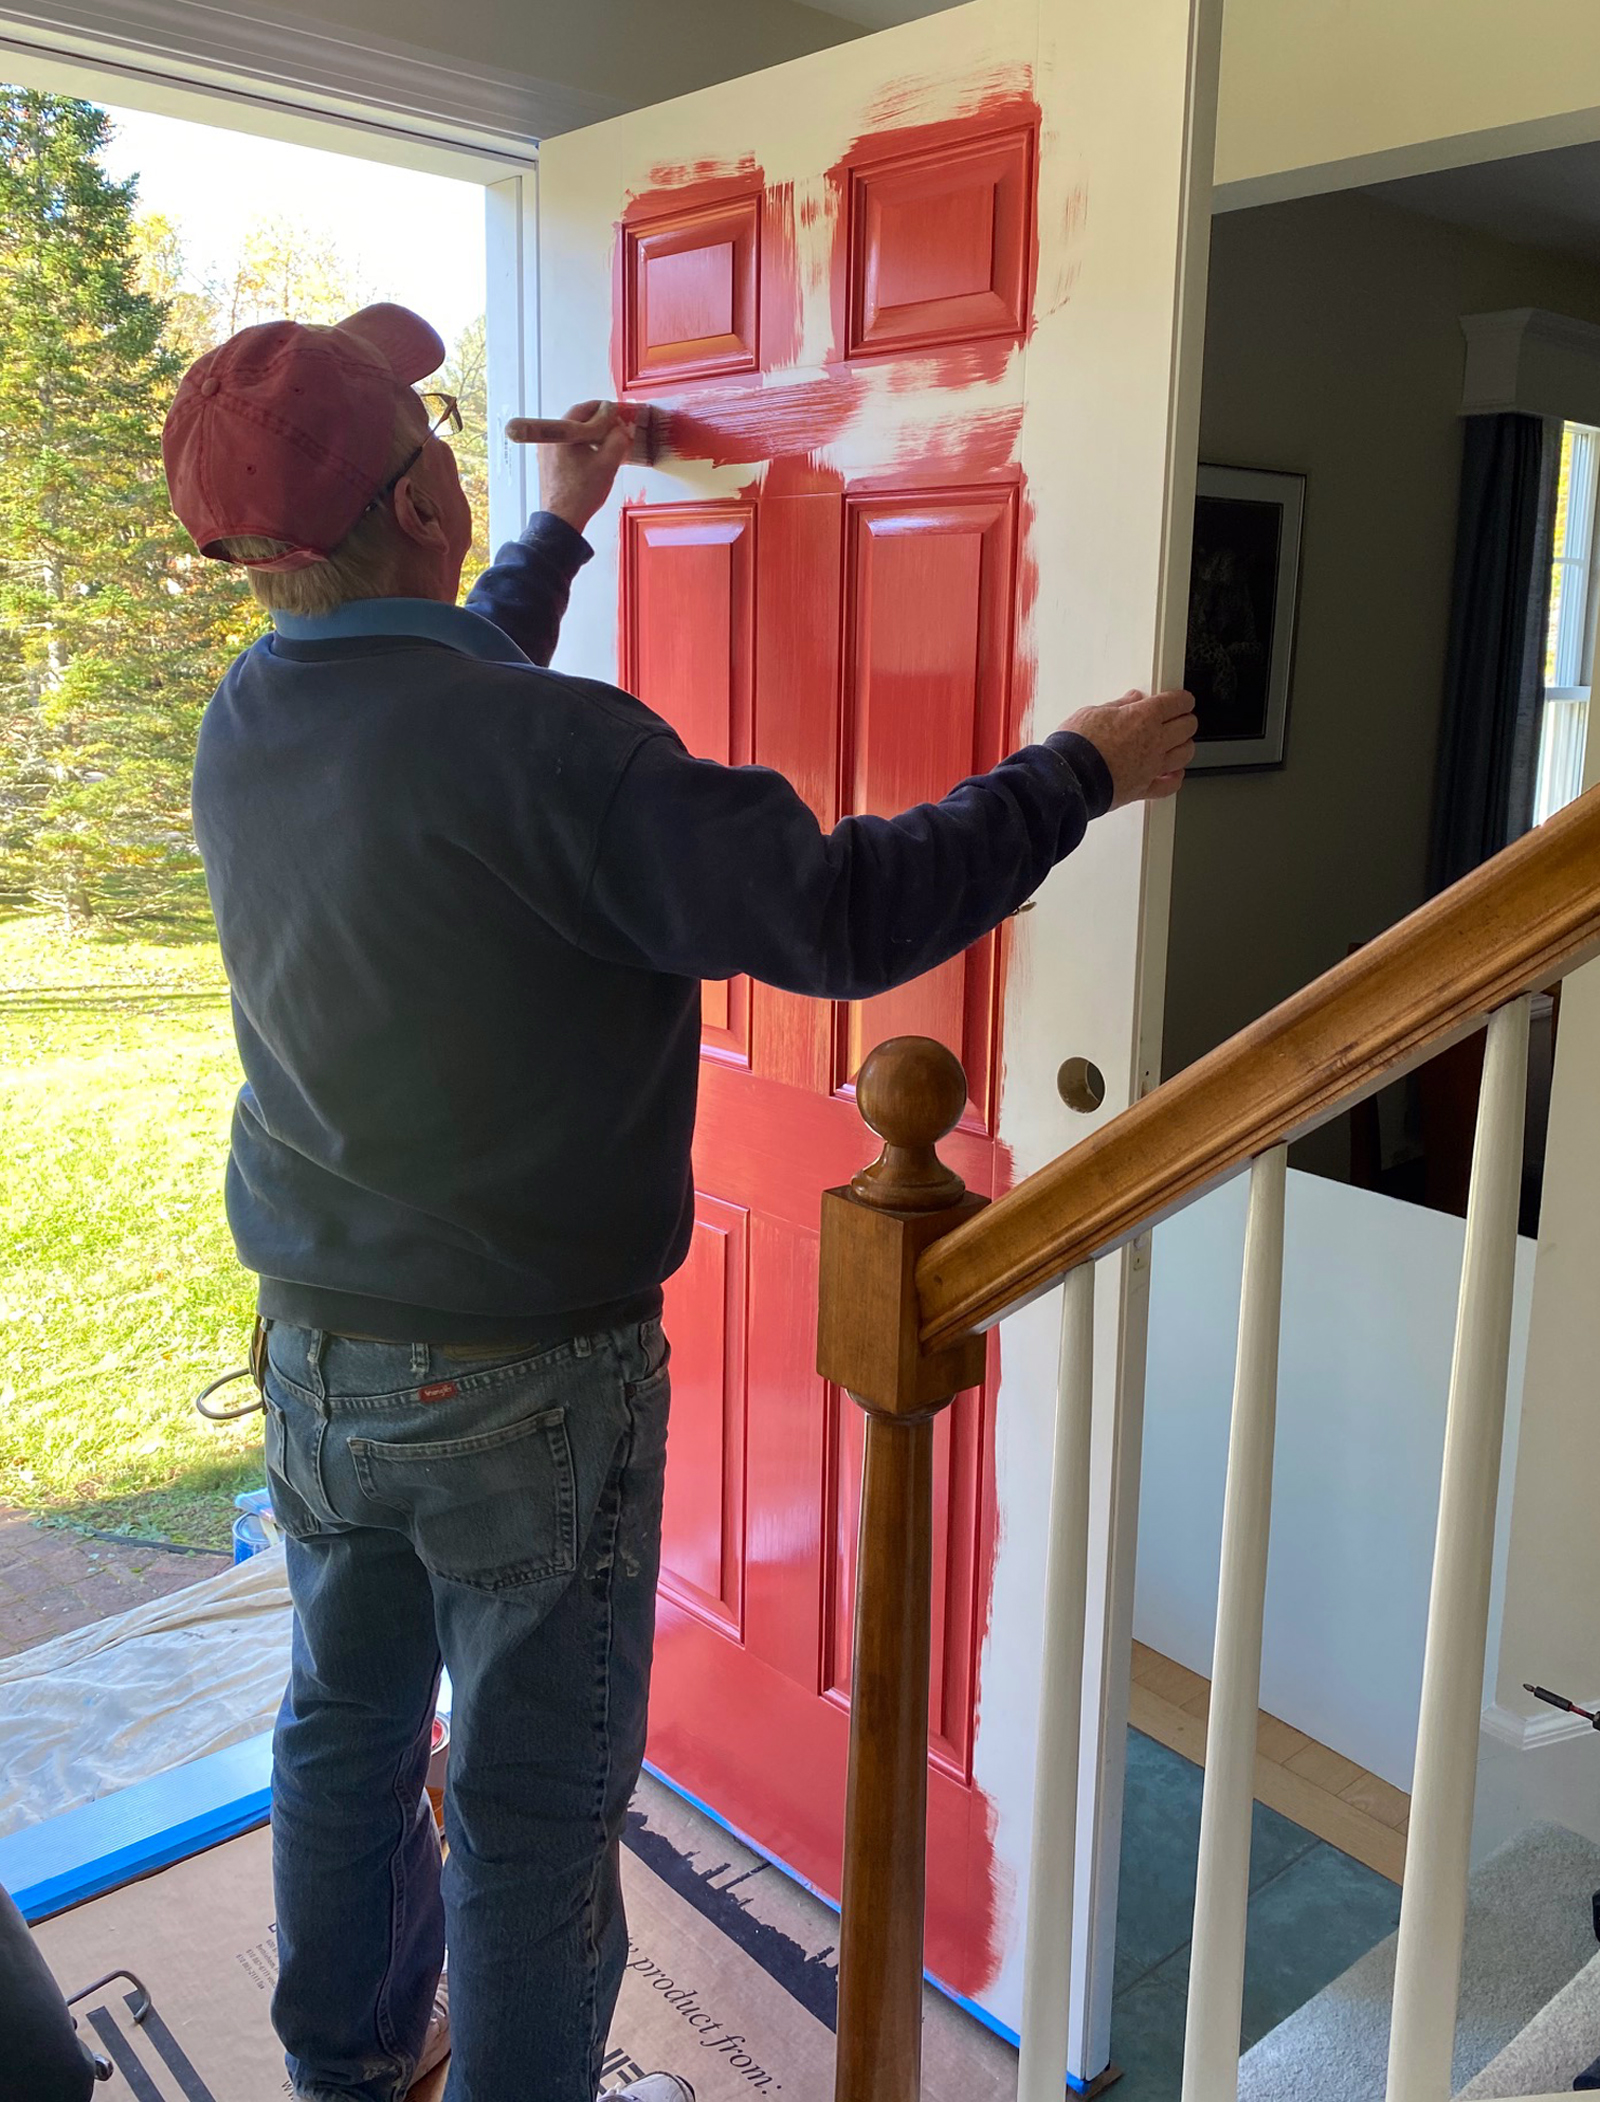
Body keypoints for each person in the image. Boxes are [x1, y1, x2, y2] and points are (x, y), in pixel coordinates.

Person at [161, 302, 1196, 2102]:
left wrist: (565, 518)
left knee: (341, 1725)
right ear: (417, 504)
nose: (453, 455)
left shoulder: (258, 714)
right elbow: (845, 913)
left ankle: (341, 2066)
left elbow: (451, 700)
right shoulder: (563, 752)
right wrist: (1084, 768)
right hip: (522, 1383)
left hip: (317, 1355)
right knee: (535, 1808)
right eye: (437, 436)